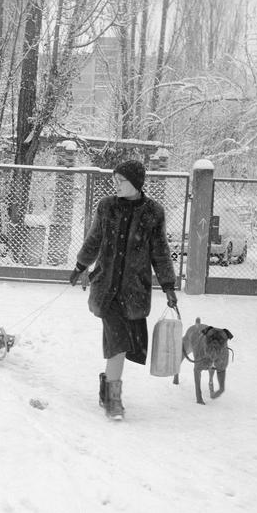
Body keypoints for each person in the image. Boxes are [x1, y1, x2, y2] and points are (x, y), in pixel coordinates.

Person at [69, 160, 178, 420]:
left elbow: (160, 251)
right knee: (117, 343)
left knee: (126, 345)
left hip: (133, 291)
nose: (115, 185)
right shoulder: (106, 207)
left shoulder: (153, 213)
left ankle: (106, 386)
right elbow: (94, 238)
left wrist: (168, 285)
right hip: (106, 288)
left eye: (121, 180)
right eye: (114, 180)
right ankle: (114, 400)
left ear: (136, 183)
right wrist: (81, 265)